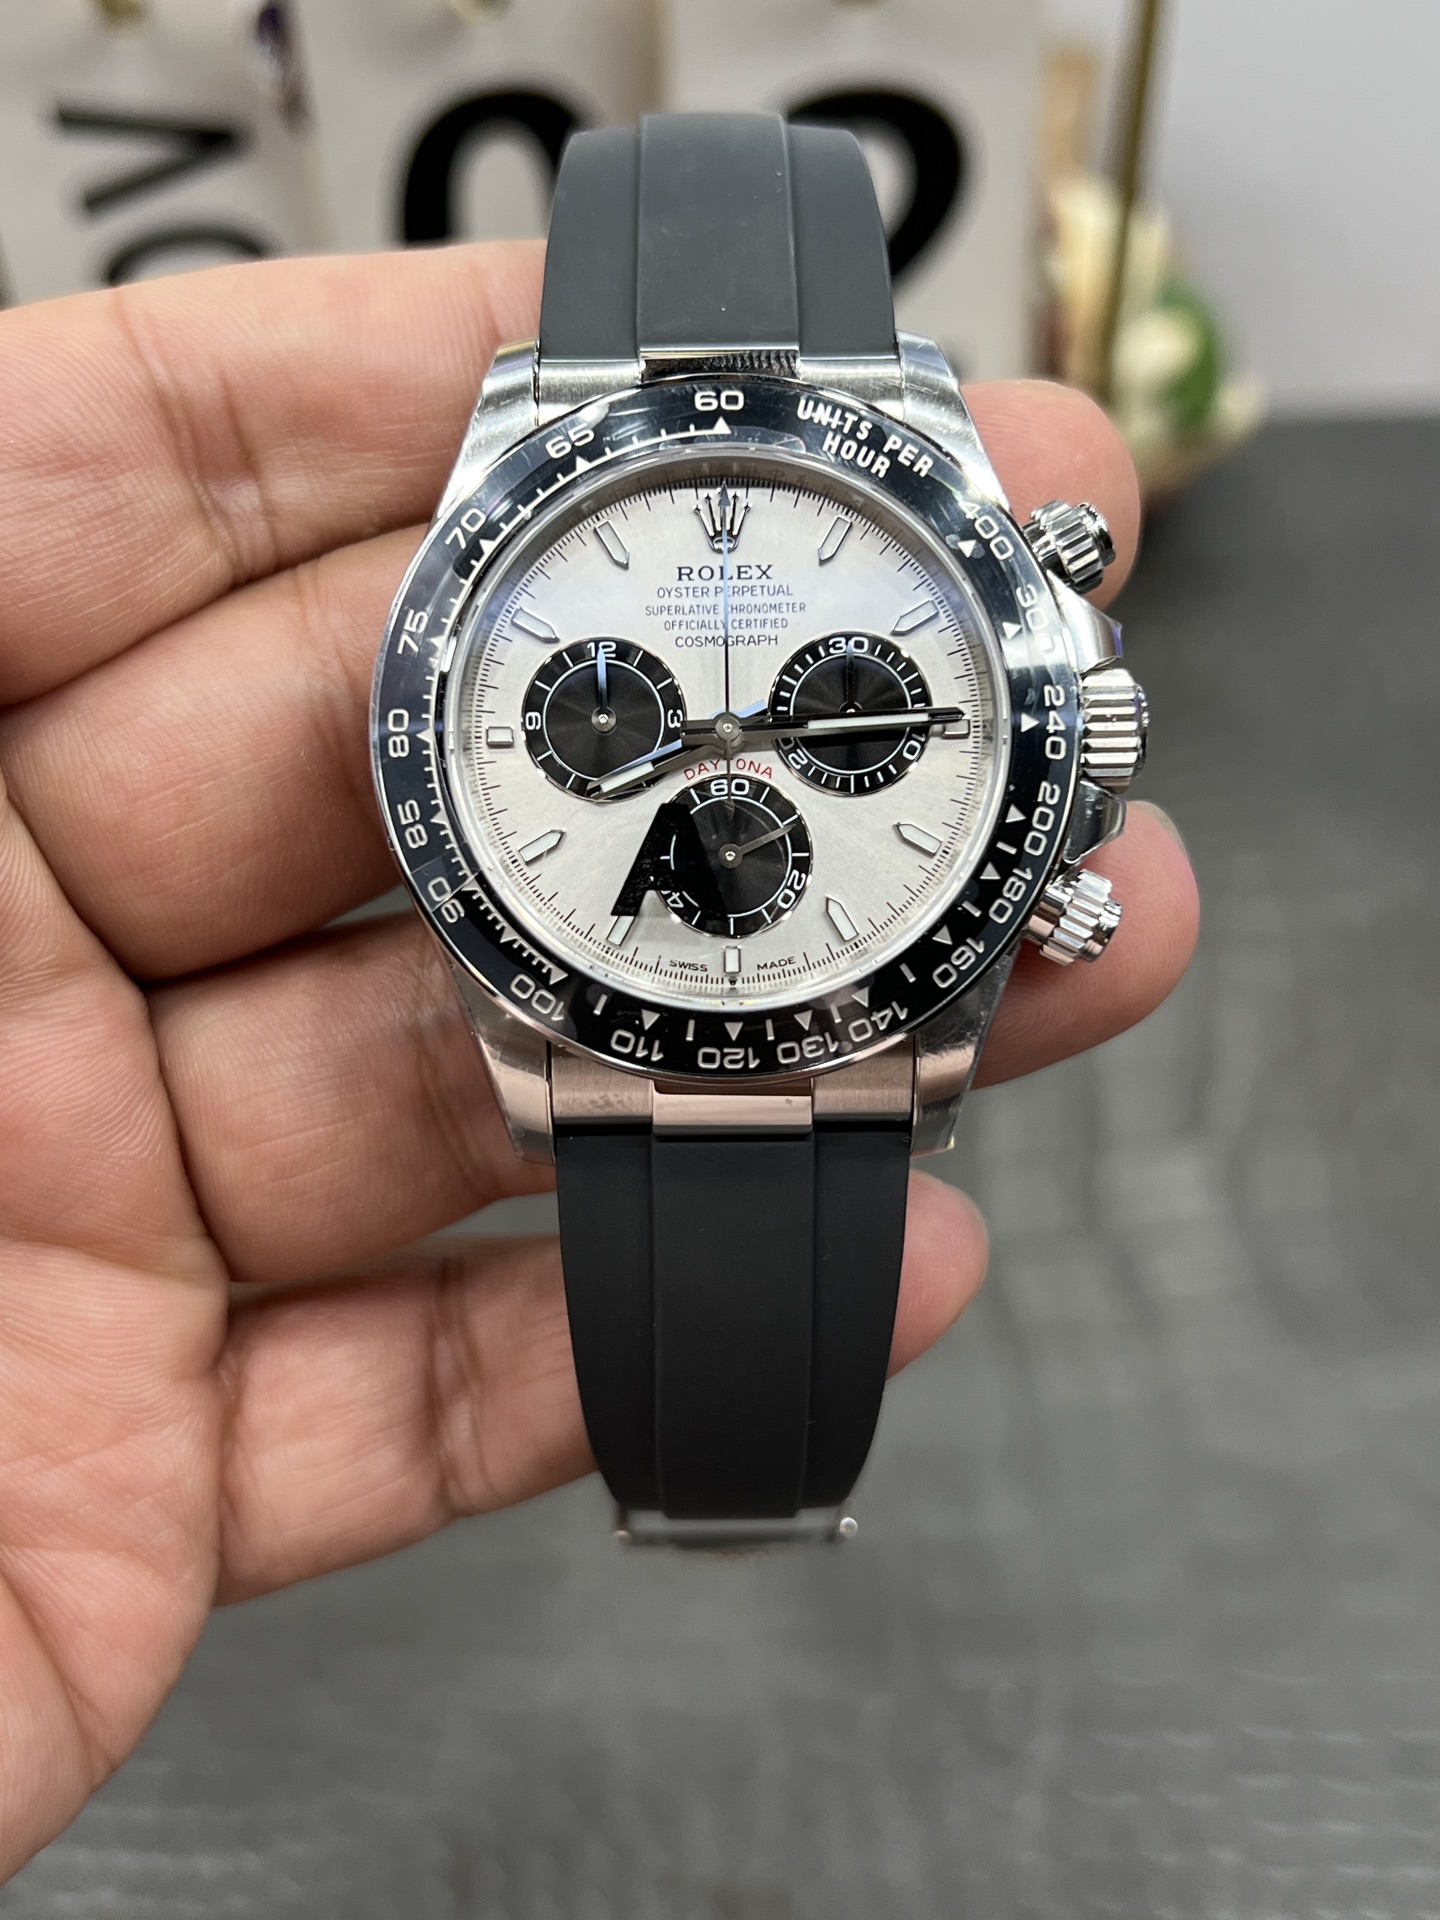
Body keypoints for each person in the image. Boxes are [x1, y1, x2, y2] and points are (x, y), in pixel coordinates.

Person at [0, 242, 1198, 1877]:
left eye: (817, 724)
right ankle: (743, 1491)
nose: (724, 746)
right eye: (672, 730)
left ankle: (747, 1486)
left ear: (1069, 731)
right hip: (597, 999)